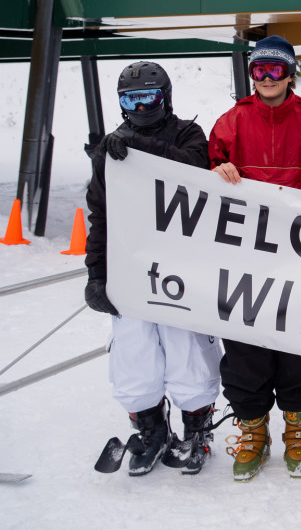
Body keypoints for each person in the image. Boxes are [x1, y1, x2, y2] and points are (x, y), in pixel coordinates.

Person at [208, 35, 301, 481]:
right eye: (259, 70)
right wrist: (216, 172)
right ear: (252, 75)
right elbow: (206, 172)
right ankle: (252, 428)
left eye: (276, 70)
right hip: (246, 257)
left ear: (290, 73)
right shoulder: (232, 120)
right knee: (245, 346)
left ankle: (297, 427)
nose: (267, 78)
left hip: (299, 257)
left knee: (298, 344)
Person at [83, 61, 222, 476]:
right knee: (134, 352)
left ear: (165, 97)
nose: (141, 108)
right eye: (131, 100)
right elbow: (100, 215)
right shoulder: (112, 148)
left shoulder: (188, 134)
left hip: (181, 265)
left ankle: (196, 428)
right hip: (131, 267)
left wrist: (150, 151)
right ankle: (148, 427)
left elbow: (199, 172)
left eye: (149, 97)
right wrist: (96, 273)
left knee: (186, 351)